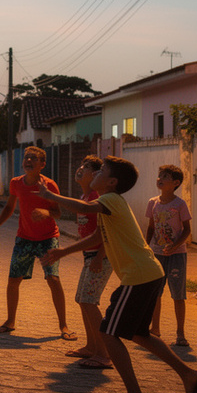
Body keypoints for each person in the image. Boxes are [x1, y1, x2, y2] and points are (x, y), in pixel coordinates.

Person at [37, 156, 197, 393]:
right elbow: (98, 236)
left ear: (111, 182)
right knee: (140, 334)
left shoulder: (109, 199)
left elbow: (82, 210)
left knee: (108, 332)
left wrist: (49, 195)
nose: (95, 173)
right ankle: (189, 376)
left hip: (138, 277)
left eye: (101, 171)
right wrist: (64, 252)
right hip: (148, 274)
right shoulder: (111, 204)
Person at [0, 146, 74, 340]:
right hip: (24, 238)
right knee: (13, 281)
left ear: (42, 164)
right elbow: (9, 207)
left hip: (48, 238)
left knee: (53, 279)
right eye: (26, 158)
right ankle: (10, 322)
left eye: (33, 158)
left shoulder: (50, 185)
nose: (28, 161)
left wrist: (46, 213)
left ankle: (64, 326)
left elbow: (59, 213)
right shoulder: (16, 183)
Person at [64, 155, 112, 369]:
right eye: (81, 165)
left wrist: (100, 257)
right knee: (82, 299)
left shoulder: (96, 198)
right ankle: (91, 346)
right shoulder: (85, 196)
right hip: (90, 257)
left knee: (89, 301)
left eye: (86, 167)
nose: (80, 169)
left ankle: (103, 354)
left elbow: (105, 233)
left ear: (95, 174)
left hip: (100, 257)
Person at [146, 164, 193, 347]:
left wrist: (174, 246)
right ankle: (155, 328)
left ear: (175, 183)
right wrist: (146, 246)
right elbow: (151, 227)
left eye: (165, 177)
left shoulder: (180, 204)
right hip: (157, 254)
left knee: (178, 295)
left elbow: (187, 230)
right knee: (156, 293)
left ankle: (180, 333)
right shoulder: (153, 203)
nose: (160, 179)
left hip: (177, 255)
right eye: (159, 175)